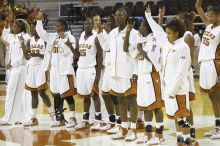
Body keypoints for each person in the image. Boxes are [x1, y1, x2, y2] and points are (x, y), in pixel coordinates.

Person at [145, 6, 199, 145]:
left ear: (177, 32)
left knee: (182, 117)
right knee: (176, 117)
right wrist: (149, 17)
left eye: (169, 33)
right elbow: (158, 31)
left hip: (178, 89)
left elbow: (182, 72)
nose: (166, 35)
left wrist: (173, 90)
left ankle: (188, 141)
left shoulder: (183, 47)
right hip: (168, 87)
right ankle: (180, 140)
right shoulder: (168, 42)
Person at [97, 7, 139, 141]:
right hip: (114, 72)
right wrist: (99, 32)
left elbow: (136, 54)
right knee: (120, 101)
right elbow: (105, 47)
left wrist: (136, 71)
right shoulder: (113, 32)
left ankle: (133, 130)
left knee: (131, 101)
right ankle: (124, 128)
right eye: (116, 15)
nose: (118, 17)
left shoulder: (133, 32)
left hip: (128, 72)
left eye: (121, 15)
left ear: (126, 17)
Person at [36, 10, 78, 128]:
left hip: (65, 71)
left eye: (58, 26)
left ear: (64, 26)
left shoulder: (70, 37)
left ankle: (73, 118)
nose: (56, 27)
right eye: (55, 25)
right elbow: (41, 33)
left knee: (68, 95)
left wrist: (64, 39)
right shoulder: (53, 37)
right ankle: (59, 118)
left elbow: (69, 53)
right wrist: (39, 20)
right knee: (56, 95)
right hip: (54, 72)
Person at [134, 18, 165, 145]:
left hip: (152, 75)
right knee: (145, 106)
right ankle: (148, 133)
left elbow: (153, 59)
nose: (140, 28)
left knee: (155, 106)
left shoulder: (154, 39)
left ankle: (160, 134)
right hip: (142, 76)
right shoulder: (142, 40)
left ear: (147, 27)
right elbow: (137, 58)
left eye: (141, 25)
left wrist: (140, 49)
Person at [195, 0, 220, 139]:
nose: (209, 17)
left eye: (212, 15)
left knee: (217, 96)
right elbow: (197, 6)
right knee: (212, 96)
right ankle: (217, 127)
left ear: (219, 16)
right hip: (204, 64)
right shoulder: (209, 26)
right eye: (209, 15)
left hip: (214, 64)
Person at [22, 22, 54, 127]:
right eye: (31, 29)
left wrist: (38, 54)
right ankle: (34, 118)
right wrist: (22, 44)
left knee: (42, 92)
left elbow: (48, 55)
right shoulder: (29, 41)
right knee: (33, 93)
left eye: (34, 29)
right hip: (31, 67)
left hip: (41, 67)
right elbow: (27, 57)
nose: (32, 30)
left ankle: (52, 115)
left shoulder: (44, 40)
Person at [0, 17, 30, 125]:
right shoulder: (14, 37)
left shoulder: (25, 38)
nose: (13, 27)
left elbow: (23, 56)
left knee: (11, 93)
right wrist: (6, 25)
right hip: (13, 68)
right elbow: (4, 37)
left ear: (21, 28)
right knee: (18, 94)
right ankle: (20, 117)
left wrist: (11, 63)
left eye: (15, 26)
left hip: (19, 68)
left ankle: (7, 119)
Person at [74, 18, 103, 130]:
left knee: (95, 95)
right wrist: (71, 47)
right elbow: (78, 55)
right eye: (86, 23)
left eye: (90, 24)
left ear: (92, 26)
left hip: (91, 69)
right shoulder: (81, 37)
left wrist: (98, 74)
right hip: (81, 69)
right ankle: (86, 120)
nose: (88, 25)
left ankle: (98, 120)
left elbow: (100, 56)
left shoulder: (95, 38)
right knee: (85, 96)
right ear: (83, 25)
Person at [97, 14, 122, 133]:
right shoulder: (109, 34)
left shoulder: (119, 33)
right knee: (105, 94)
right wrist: (99, 33)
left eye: (110, 22)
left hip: (117, 67)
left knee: (116, 96)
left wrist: (107, 32)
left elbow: (112, 48)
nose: (108, 23)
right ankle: (112, 121)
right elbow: (106, 47)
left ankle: (119, 122)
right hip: (108, 68)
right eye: (106, 22)